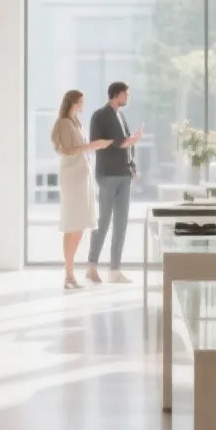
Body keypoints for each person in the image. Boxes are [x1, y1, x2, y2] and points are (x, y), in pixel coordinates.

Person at [51, 89, 112, 290]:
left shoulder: (76, 122)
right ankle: (68, 274)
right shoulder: (63, 123)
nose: (84, 104)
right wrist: (94, 145)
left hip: (82, 176)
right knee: (73, 225)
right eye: (82, 101)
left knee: (77, 226)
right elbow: (67, 151)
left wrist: (92, 146)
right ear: (75, 102)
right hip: (72, 178)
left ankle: (69, 274)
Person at [87, 81, 143, 282]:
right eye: (126, 94)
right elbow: (96, 143)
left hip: (124, 175)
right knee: (103, 221)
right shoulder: (100, 115)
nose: (127, 98)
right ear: (117, 95)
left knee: (121, 223)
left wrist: (132, 167)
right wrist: (121, 143)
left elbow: (128, 145)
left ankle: (114, 269)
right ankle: (91, 265)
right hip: (107, 175)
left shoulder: (121, 115)